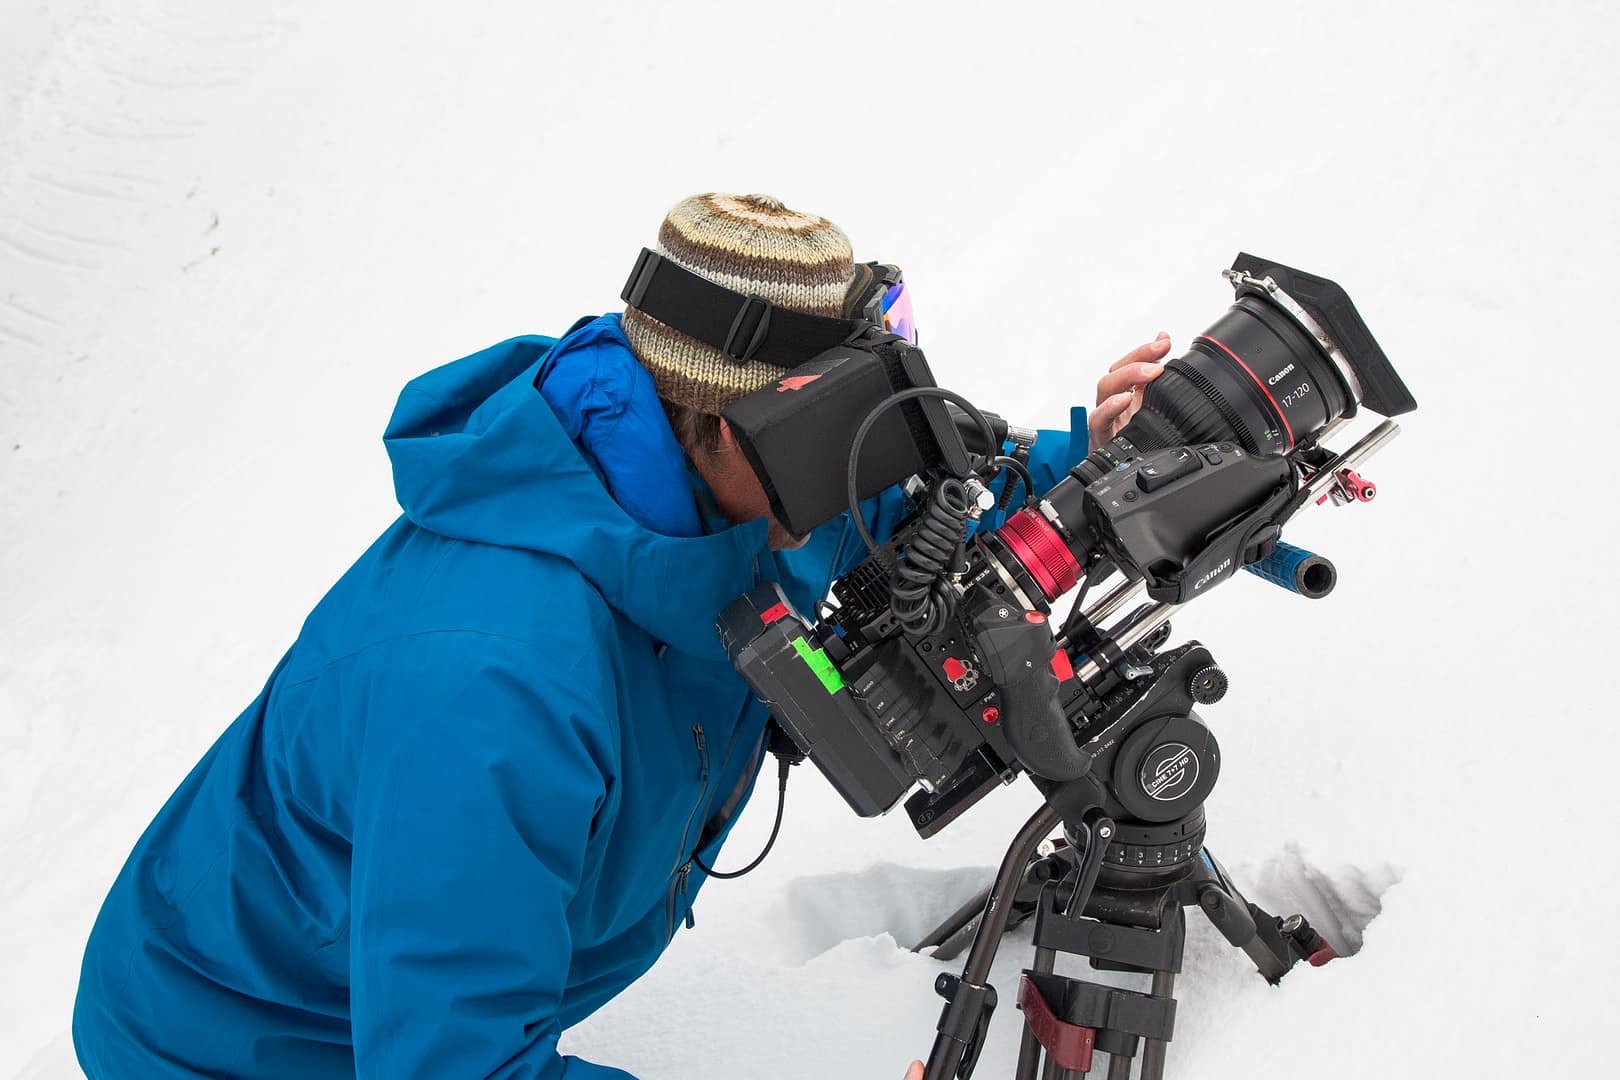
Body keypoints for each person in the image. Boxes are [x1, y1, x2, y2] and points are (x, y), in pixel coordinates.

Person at [71, 193, 1169, 1079]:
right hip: (244, 1045)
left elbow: (930, 506)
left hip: (420, 989)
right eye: (844, 416)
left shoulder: (753, 483)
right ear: (734, 423)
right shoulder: (490, 688)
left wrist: (1099, 462)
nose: (865, 460)